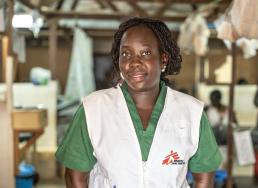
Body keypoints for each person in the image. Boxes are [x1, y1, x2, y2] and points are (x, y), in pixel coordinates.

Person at [55, 17, 222, 188]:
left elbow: (204, 177)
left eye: (146, 53)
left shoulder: (191, 112)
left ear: (163, 59)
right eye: (126, 54)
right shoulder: (93, 109)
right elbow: (75, 176)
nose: (134, 62)